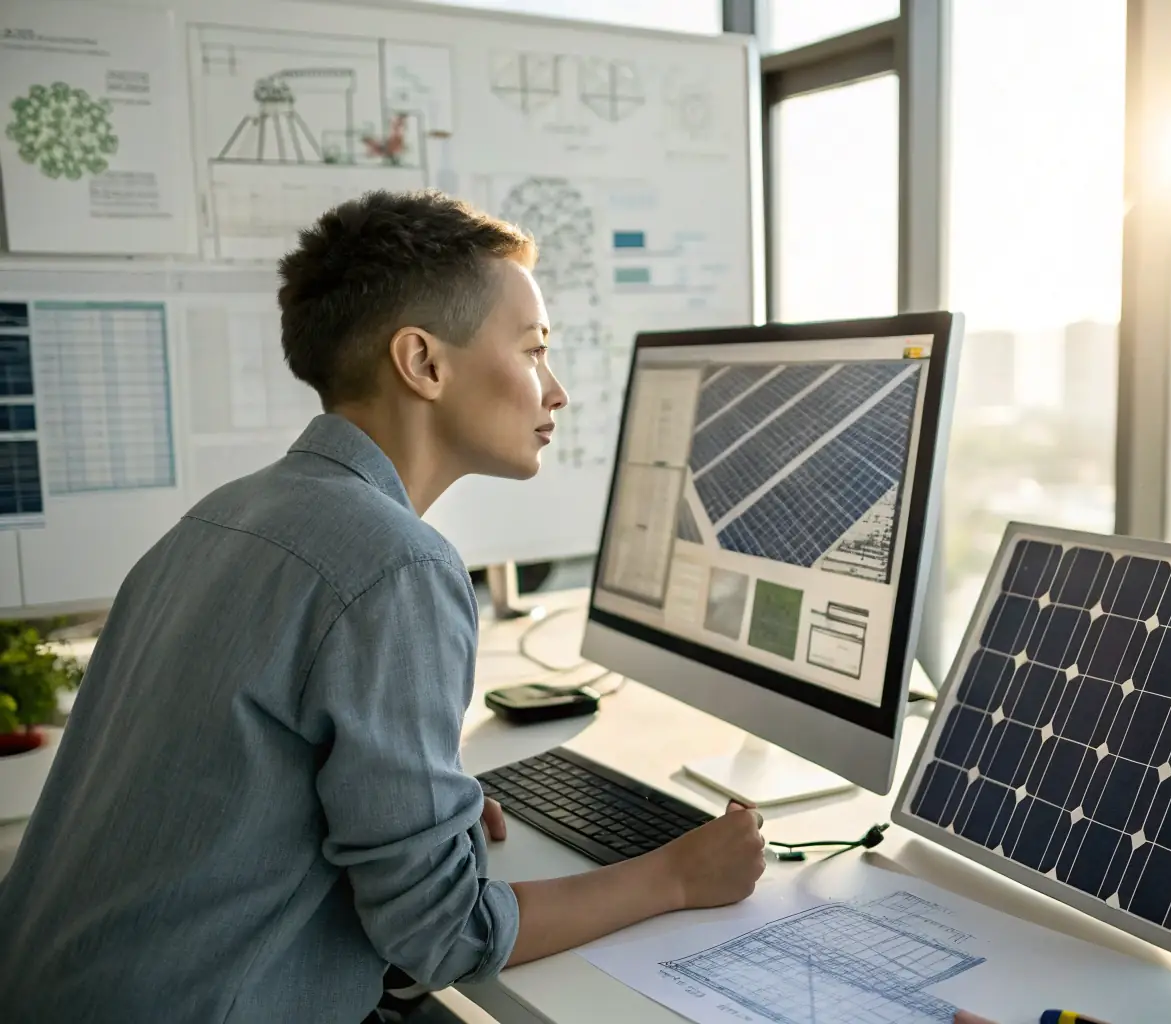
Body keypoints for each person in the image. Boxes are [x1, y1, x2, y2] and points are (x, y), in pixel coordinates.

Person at [0, 189, 1005, 1024]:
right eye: (532, 348)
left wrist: (414, 811)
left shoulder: (224, 517)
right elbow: (441, 936)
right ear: (423, 363)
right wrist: (677, 876)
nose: (554, 388)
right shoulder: (395, 567)